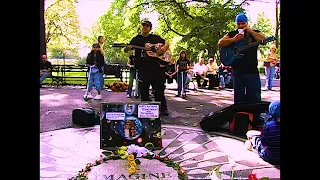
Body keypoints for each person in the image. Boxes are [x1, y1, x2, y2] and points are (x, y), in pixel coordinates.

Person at [218, 12, 266, 127]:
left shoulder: (255, 33)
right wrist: (234, 40)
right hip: (238, 71)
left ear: (247, 23)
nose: (240, 26)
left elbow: (263, 40)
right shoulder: (232, 34)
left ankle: (255, 118)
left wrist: (249, 31)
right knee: (239, 97)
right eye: (238, 24)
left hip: (252, 71)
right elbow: (220, 43)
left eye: (243, 23)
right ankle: (239, 119)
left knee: (254, 97)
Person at [124, 20, 170, 116]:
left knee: (159, 89)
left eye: (147, 26)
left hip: (156, 68)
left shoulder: (154, 38)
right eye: (144, 25)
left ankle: (163, 108)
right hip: (142, 68)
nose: (145, 27)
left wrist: (164, 48)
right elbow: (126, 49)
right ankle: (146, 110)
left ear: (150, 28)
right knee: (143, 90)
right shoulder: (136, 39)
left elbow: (167, 42)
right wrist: (127, 48)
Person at [245, 100, 280, 165]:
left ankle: (251, 145)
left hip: (271, 157)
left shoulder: (269, 126)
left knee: (253, 138)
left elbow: (264, 143)